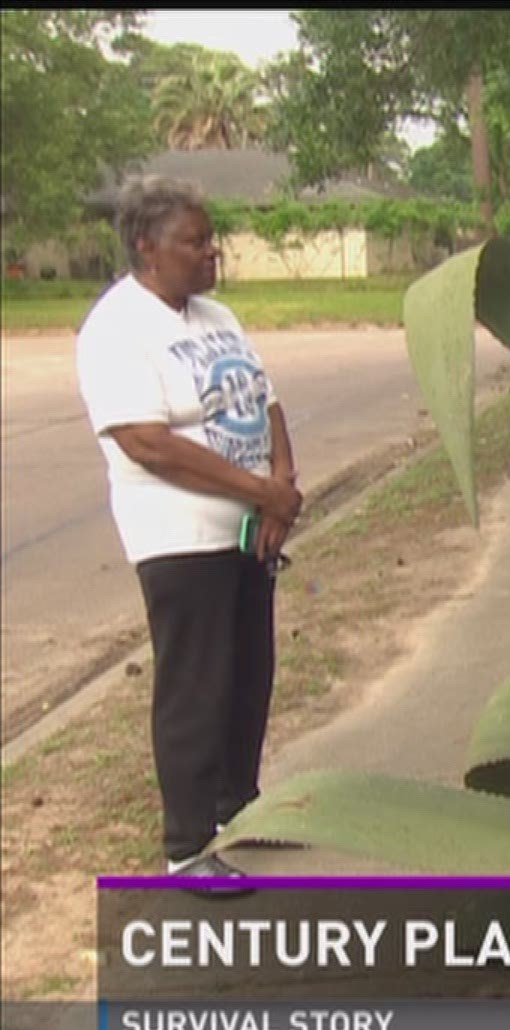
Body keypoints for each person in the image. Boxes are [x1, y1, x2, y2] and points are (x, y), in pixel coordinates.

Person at [75, 177, 302, 886]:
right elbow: (148, 443)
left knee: (247, 680)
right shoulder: (117, 329)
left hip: (248, 533)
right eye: (195, 241)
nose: (212, 252)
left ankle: (240, 808)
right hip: (179, 540)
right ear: (147, 247)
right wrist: (260, 489)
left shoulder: (216, 317)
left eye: (211, 238)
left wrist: (280, 491)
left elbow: (266, 404)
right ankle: (187, 846)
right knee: (196, 690)